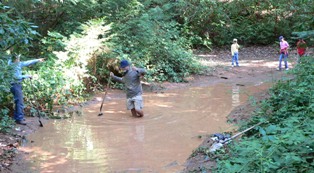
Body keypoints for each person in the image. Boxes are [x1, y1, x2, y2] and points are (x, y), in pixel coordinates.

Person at [8, 55, 44, 125]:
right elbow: (16, 77)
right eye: (18, 58)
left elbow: (26, 62)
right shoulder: (11, 65)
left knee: (18, 101)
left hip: (17, 85)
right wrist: (27, 76)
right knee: (20, 102)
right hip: (15, 84)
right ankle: (19, 119)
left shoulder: (17, 63)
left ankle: (17, 117)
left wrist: (38, 60)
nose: (19, 59)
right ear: (14, 59)